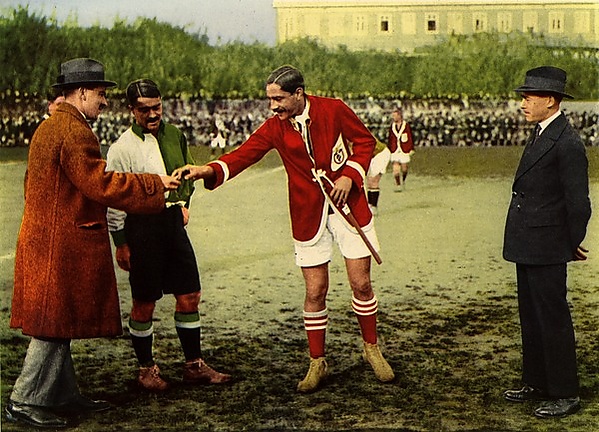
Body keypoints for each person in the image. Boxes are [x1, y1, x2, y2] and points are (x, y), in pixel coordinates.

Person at [174, 65, 394, 393]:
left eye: (278, 99)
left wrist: (350, 175)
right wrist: (206, 170)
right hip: (307, 215)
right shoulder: (275, 126)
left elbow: (365, 142)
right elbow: (244, 155)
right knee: (315, 291)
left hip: (349, 208)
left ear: (298, 93)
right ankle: (317, 361)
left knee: (361, 284)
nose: (272, 106)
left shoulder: (333, 109)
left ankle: (371, 349)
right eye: (270, 99)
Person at [6, 58, 180, 429]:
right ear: (82, 92)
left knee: (59, 321)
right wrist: (154, 185)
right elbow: (100, 183)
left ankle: (62, 394)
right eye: (100, 94)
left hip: (47, 239)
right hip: (58, 245)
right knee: (52, 326)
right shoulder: (73, 130)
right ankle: (24, 400)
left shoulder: (54, 125)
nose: (104, 101)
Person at [106, 79, 231, 392]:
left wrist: (184, 204)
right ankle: (146, 370)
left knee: (190, 294)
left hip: (173, 223)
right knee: (144, 302)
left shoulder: (175, 135)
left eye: (157, 107)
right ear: (131, 110)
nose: (152, 114)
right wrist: (121, 243)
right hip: (142, 226)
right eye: (144, 109)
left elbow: (188, 174)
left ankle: (194, 366)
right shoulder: (121, 148)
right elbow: (115, 198)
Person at [502, 66, 591, 418]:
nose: (523, 103)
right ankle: (536, 381)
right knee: (531, 316)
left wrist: (569, 243)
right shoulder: (542, 132)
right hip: (529, 242)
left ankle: (565, 392)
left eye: (529, 97)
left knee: (552, 319)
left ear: (550, 101)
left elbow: (579, 203)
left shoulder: (566, 142)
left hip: (547, 245)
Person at [388, 107, 414, 191]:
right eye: (393, 116)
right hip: (395, 149)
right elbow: (390, 138)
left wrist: (411, 148)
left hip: (404, 148)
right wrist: (389, 149)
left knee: (404, 168)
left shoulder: (406, 125)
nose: (394, 117)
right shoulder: (392, 126)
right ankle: (398, 184)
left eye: (395, 116)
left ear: (399, 116)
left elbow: (410, 137)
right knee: (395, 168)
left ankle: (403, 180)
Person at [365, 138, 392, 215]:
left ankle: (374, 207)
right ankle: (370, 205)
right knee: (369, 181)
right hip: (373, 155)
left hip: (381, 154)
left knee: (373, 180)